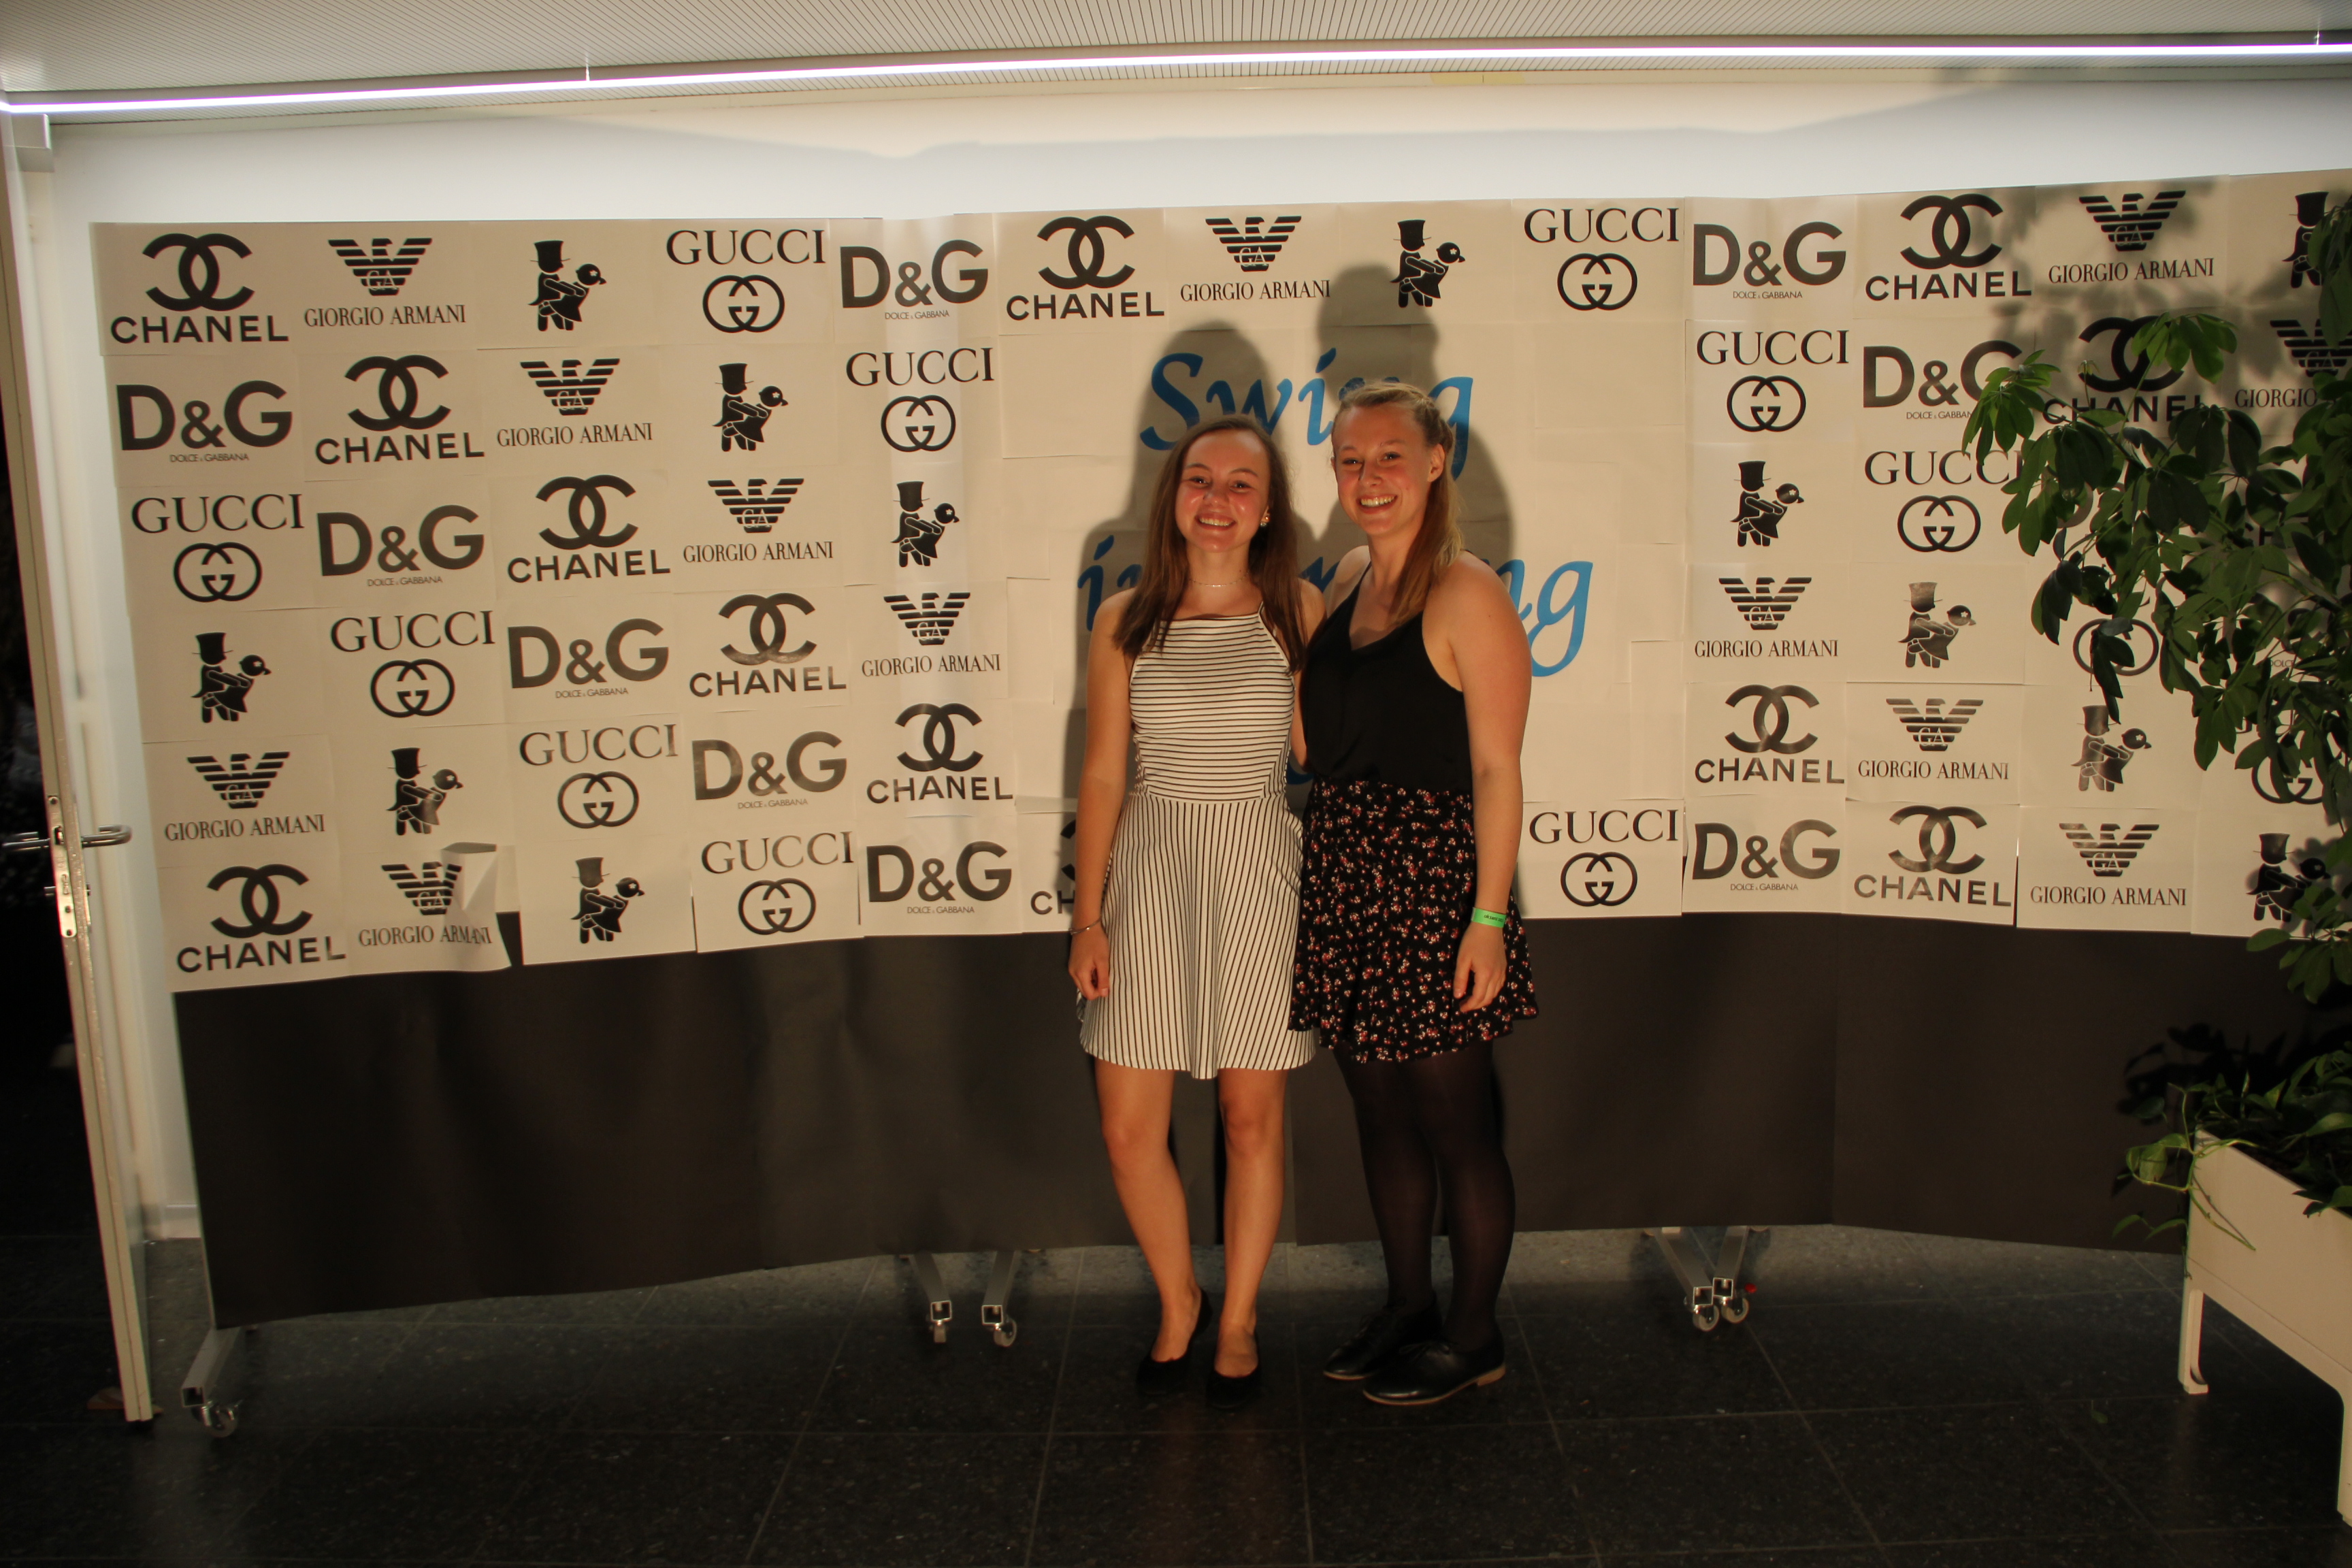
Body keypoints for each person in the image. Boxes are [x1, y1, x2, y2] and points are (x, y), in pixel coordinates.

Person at [1292, 381, 1537, 1407]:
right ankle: (1407, 1305)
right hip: (1347, 869)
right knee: (1380, 1111)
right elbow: (1319, 747)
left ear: (1437, 463)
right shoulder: (1349, 576)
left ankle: (1474, 1336)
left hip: (1435, 882)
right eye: (1351, 460)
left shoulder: (1467, 590)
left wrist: (1488, 919)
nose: (1369, 478)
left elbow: (1497, 770)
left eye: (1390, 456)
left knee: (1455, 1123)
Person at [1070, 414, 1323, 1409]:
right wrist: (1088, 917)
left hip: (1260, 869)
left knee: (1250, 1119)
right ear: (1173, 497)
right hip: (1148, 876)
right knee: (1128, 1129)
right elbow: (1103, 773)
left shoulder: (1297, 608)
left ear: (1267, 510)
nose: (1217, 500)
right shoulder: (1124, 618)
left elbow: (1315, 752)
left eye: (1241, 484)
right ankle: (1179, 1301)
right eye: (1200, 480)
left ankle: (1240, 1318)